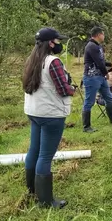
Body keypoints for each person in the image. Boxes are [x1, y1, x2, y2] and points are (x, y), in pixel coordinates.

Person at [22, 28, 75, 208]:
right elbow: (63, 89)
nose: (59, 44)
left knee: (34, 151)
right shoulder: (53, 61)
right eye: (57, 41)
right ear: (51, 43)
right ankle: (45, 201)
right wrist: (73, 89)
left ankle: (32, 190)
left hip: (34, 111)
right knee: (45, 156)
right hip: (50, 114)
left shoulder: (32, 60)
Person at [82, 26, 112, 132]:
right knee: (89, 102)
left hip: (100, 77)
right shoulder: (91, 46)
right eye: (103, 34)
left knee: (108, 98)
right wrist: (107, 73)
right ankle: (86, 127)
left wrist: (111, 63)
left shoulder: (98, 46)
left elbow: (101, 61)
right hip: (91, 77)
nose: (104, 36)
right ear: (99, 35)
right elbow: (99, 63)